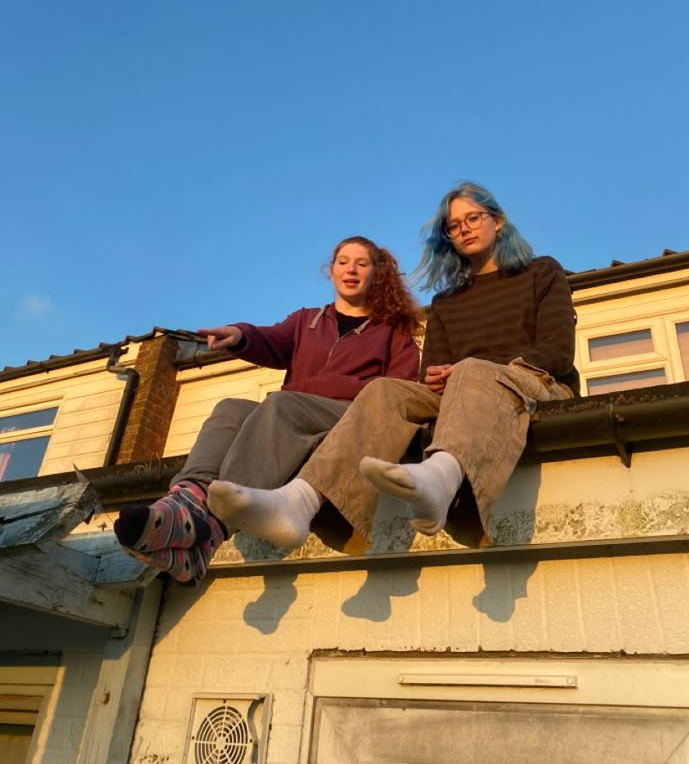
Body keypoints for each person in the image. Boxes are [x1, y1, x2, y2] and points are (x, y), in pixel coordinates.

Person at [207, 182, 579, 551]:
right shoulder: (447, 301)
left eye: (473, 217)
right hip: (460, 392)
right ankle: (299, 503)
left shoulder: (542, 272)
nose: (463, 228)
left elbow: (558, 351)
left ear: (497, 222)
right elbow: (427, 373)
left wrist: (472, 367)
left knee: (472, 370)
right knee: (384, 389)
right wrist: (436, 377)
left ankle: (441, 477)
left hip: (536, 385)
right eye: (453, 225)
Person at [114, 236, 421, 583]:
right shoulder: (307, 320)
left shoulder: (393, 332)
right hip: (294, 413)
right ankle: (190, 502)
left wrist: (321, 387)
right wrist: (240, 335)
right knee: (231, 409)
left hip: (350, 419)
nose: (351, 269)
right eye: (343, 261)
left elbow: (398, 393)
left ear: (377, 274)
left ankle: (209, 521)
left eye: (362, 263)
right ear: (331, 270)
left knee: (281, 402)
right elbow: (271, 339)